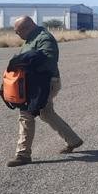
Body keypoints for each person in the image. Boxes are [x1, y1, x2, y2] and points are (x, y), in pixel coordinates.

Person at [6, 16, 83, 167]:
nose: (17, 34)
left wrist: (25, 61)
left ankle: (22, 155)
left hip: (45, 84)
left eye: (18, 31)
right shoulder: (30, 38)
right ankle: (73, 140)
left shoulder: (44, 38)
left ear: (28, 27)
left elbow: (48, 60)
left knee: (26, 114)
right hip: (34, 84)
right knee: (46, 113)